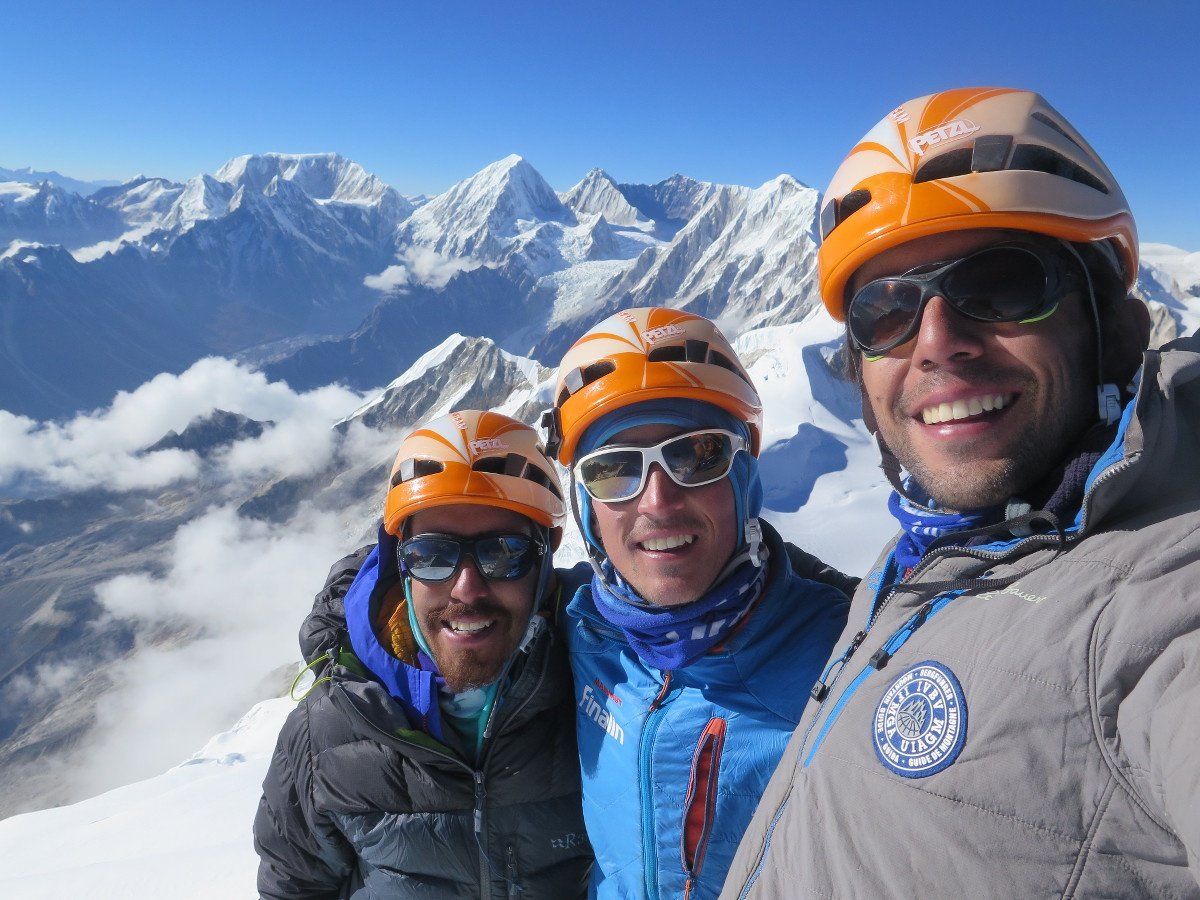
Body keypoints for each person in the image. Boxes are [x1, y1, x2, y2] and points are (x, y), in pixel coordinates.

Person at [722, 86, 1200, 898]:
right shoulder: (930, 555)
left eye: (1002, 284)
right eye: (886, 311)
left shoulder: (1158, 601)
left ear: (1104, 322)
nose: (938, 343)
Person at [540, 307, 853, 899]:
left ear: (746, 478)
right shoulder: (580, 628)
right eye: (612, 470)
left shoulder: (847, 665)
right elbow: (467, 621)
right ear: (586, 509)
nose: (658, 501)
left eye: (698, 454)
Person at [254, 410, 593, 899]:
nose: (467, 587)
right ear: (401, 565)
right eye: (432, 555)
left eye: (505, 553)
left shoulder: (606, 691)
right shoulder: (327, 734)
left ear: (545, 561)